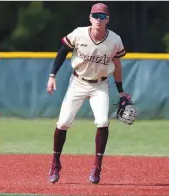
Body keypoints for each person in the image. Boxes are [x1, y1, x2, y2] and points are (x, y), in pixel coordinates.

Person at [47, 3, 136, 184]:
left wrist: (121, 92)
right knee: (63, 123)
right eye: (96, 16)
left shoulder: (115, 40)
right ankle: (55, 162)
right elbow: (63, 52)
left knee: (103, 122)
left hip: (100, 85)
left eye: (102, 16)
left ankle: (97, 166)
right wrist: (52, 75)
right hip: (77, 82)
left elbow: (117, 66)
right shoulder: (79, 33)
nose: (98, 19)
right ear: (90, 18)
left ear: (107, 20)